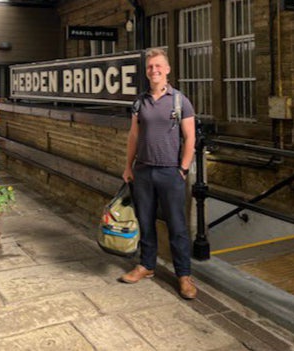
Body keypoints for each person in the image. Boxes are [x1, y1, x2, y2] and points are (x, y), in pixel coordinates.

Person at [120, 48, 197, 299]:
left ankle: (184, 275)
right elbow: (134, 135)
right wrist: (128, 166)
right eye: (150, 67)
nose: (154, 70)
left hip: (169, 173)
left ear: (167, 69)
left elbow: (190, 138)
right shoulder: (139, 101)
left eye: (158, 66)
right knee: (145, 222)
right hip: (143, 171)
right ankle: (147, 266)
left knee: (177, 226)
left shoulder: (180, 100)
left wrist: (183, 169)